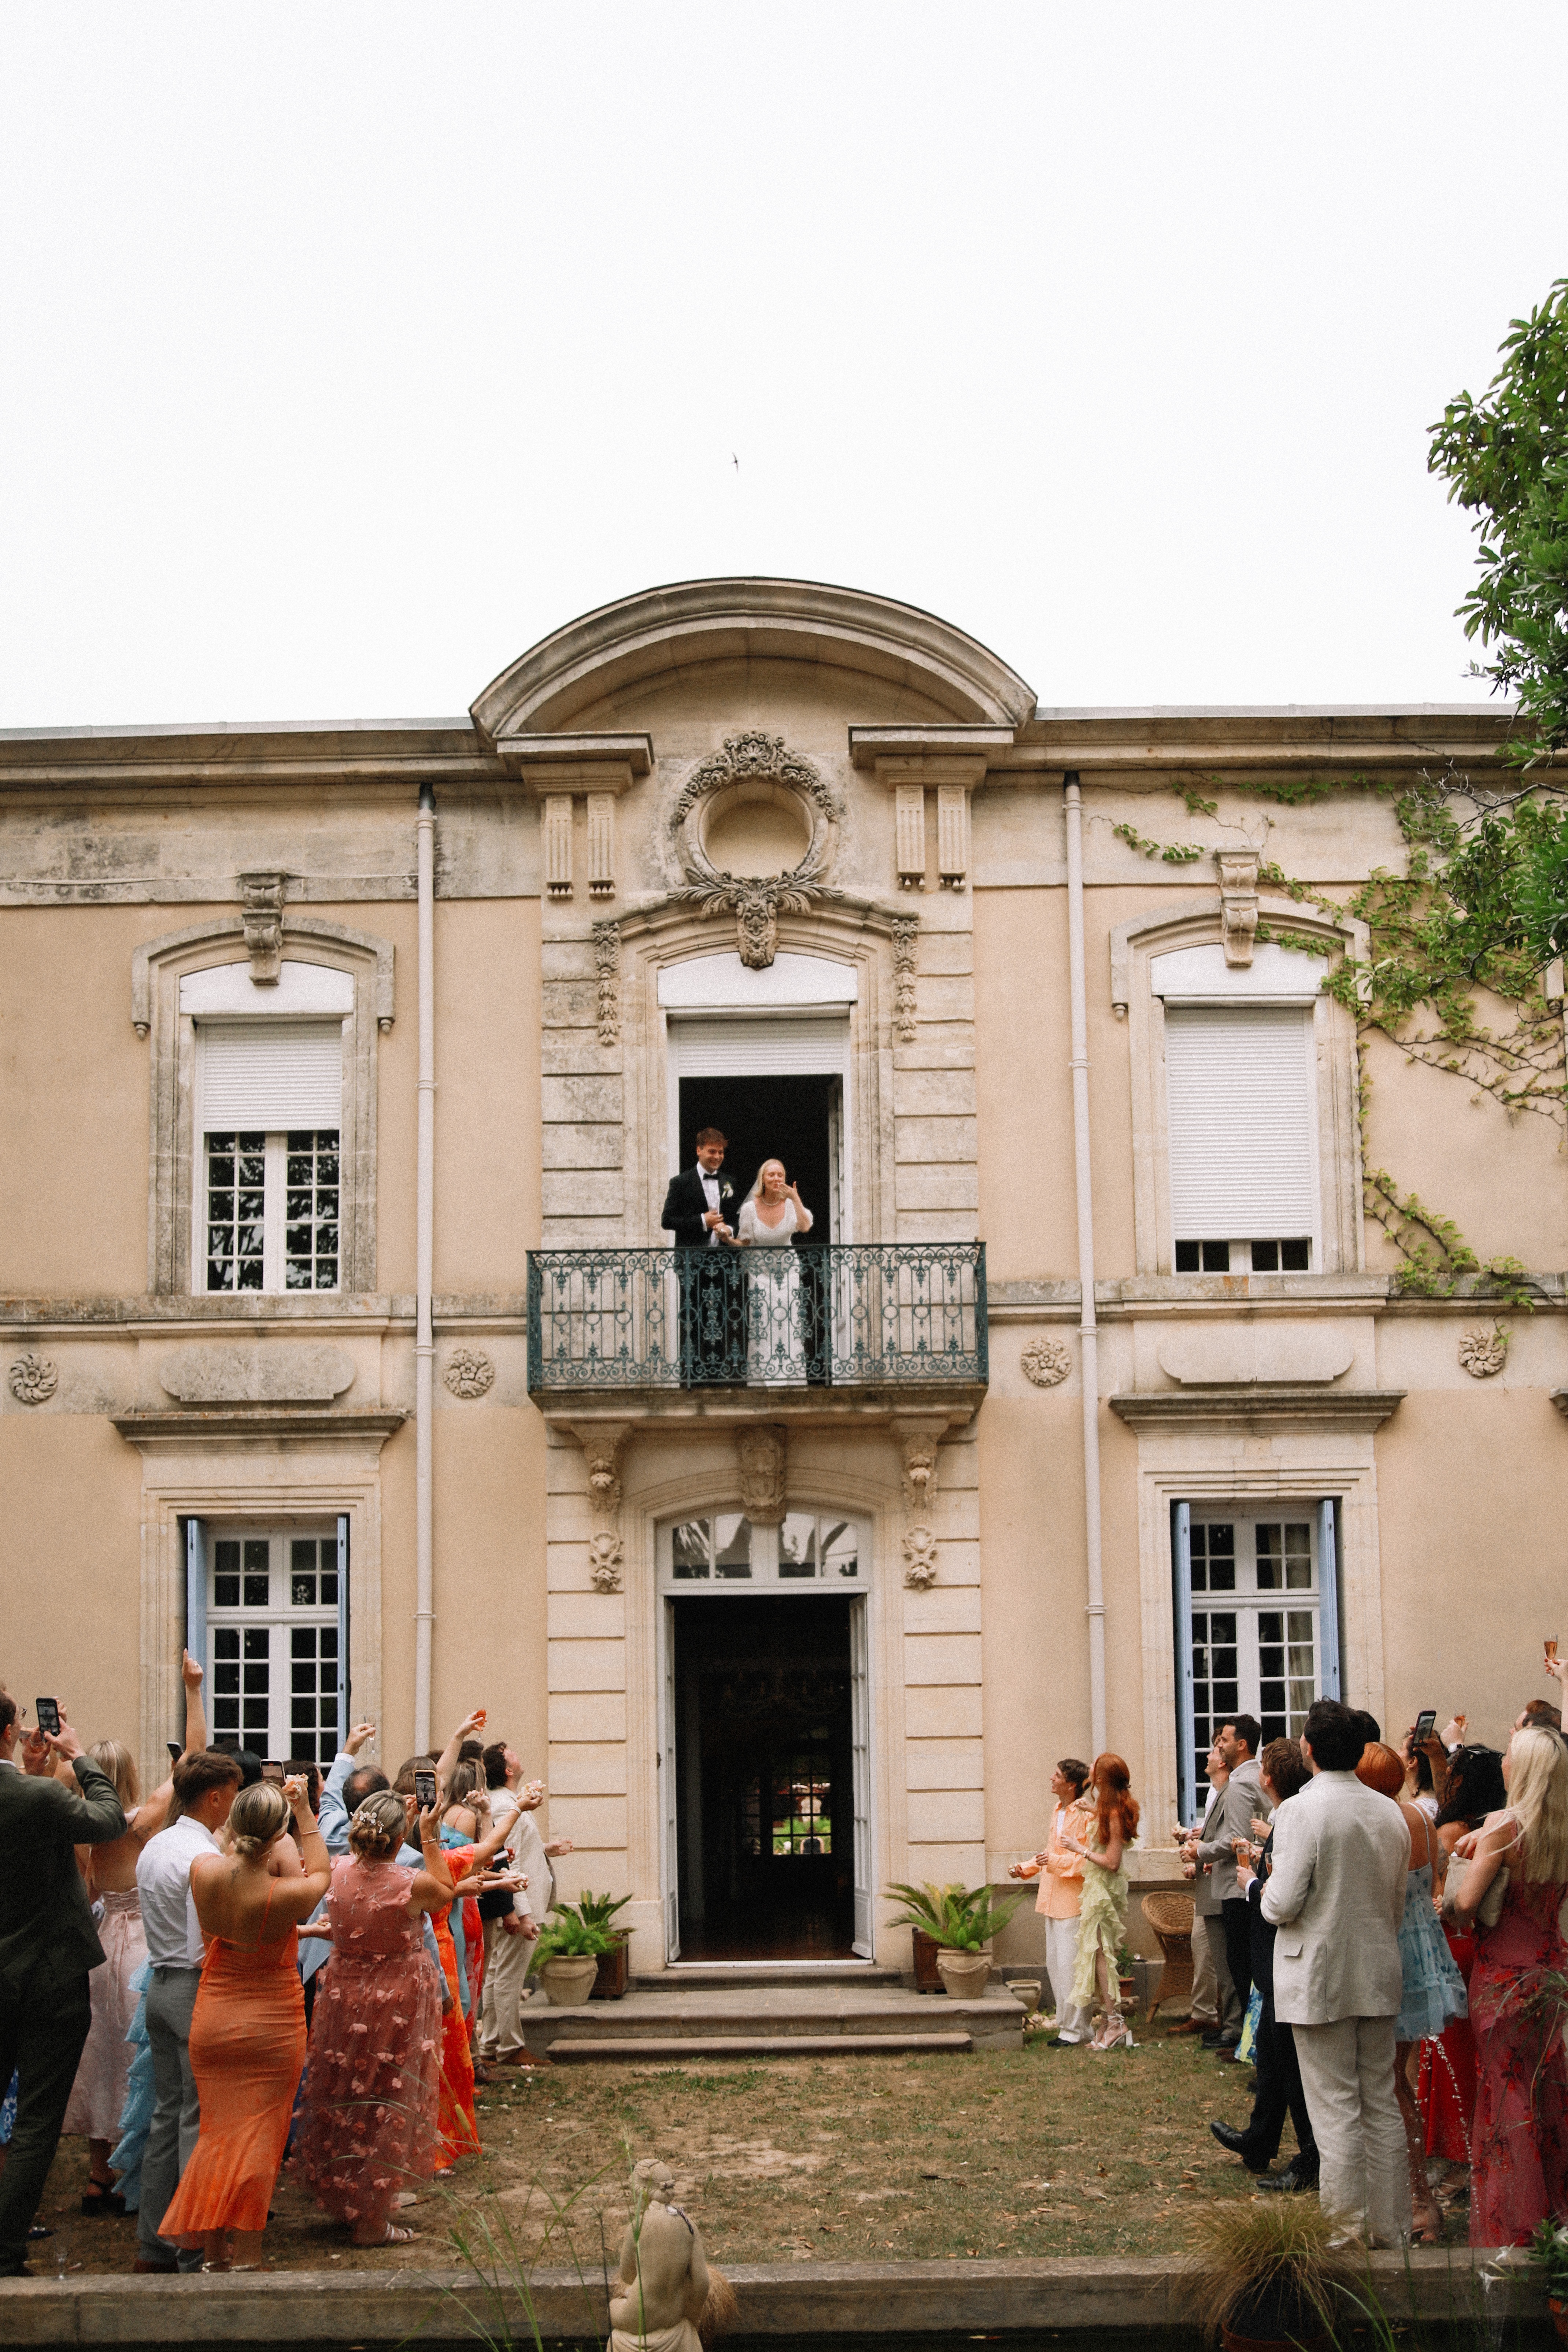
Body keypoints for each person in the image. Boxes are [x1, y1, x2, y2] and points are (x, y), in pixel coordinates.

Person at [158, 1775, 330, 2269]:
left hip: (213, 2018)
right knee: (260, 2138)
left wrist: (262, 1820)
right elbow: (321, 1870)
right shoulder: (280, 1894)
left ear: (232, 1827)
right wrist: (301, 1809)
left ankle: (214, 2253)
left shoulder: (202, 1871)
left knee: (216, 2136)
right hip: (269, 2024)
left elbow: (222, 1848)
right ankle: (248, 2256)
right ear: (277, 1836)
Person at [1260, 1698, 1410, 2246]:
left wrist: (1266, 1886)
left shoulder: (1301, 1809)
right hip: (1376, 1964)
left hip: (1319, 1972)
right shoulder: (1388, 1809)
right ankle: (1390, 2225)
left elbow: (1282, 1904)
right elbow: (1394, 1903)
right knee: (1379, 2101)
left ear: (1310, 1750)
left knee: (1336, 2107)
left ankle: (1346, 2231)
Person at [61, 1652, 208, 2213]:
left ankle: (99, 2174)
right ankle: (139, 2172)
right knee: (138, 2063)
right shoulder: (138, 1822)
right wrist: (192, 1691)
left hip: (95, 1948)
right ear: (127, 1775)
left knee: (98, 2055)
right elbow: (192, 1761)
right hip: (141, 1947)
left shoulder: (77, 1828)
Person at [0, 1688, 127, 2278]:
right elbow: (106, 1820)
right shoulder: (39, 1795)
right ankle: (5, 2248)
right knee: (35, 2120)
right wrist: (78, 1757)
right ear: (8, 1732)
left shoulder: (30, 1792)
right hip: (49, 1973)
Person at [293, 1790, 453, 2245]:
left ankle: (347, 2192)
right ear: (398, 1835)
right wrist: (431, 1838)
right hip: (398, 1994)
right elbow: (444, 1892)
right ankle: (370, 2216)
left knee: (344, 2087)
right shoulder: (409, 1881)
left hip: (346, 1990)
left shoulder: (337, 1871)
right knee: (389, 2096)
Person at [1449, 1723, 1568, 2246]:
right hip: (1551, 1967)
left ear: (1520, 1769)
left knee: (1507, 2092)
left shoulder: (1505, 1827)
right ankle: (1555, 2211)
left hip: (1502, 1973)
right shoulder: (1561, 1829)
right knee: (1547, 2088)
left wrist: (1449, 1892)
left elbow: (1469, 1905)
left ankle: (1514, 2223)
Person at [134, 1748, 243, 2272]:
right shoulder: (202, 1857)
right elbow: (214, 1935)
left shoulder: (157, 1845)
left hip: (159, 1983)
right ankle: (190, 2244)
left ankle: (153, 2244)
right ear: (217, 1798)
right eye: (233, 1795)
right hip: (193, 1985)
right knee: (195, 2122)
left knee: (166, 2117)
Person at [1355, 1741, 1467, 2241]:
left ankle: (1418, 2199)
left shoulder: (1384, 1823)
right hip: (1425, 1950)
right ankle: (1411, 2194)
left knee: (1389, 2081)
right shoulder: (1422, 1817)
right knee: (1397, 2078)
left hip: (1396, 1951)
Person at [1210, 1735, 1319, 2191]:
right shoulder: (1284, 1817)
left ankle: (1310, 2159)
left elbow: (1284, 1900)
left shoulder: (1293, 1816)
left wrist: (1253, 1883)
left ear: (1267, 1779)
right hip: (1274, 1961)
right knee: (1273, 2059)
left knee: (1291, 2066)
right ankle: (1258, 2140)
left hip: (1283, 1954)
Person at [1416, 1743, 1506, 2174]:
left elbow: (1441, 1893)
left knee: (1452, 2053)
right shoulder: (1494, 1824)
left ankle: (1455, 2153)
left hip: (1453, 1939)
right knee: (1469, 2053)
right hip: (1479, 1944)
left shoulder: (1450, 1831)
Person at [478, 1738, 573, 2071]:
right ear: (506, 1770)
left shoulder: (506, 1802)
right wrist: (523, 1914)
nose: (518, 1755)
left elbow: (518, 1850)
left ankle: (490, 2043)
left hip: (519, 1900)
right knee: (509, 1977)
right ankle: (510, 2046)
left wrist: (547, 1849)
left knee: (496, 1973)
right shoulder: (508, 1806)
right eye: (512, 1754)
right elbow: (509, 1866)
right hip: (521, 1902)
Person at [1186, 1716, 1269, 2046]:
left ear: (1242, 1745)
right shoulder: (1245, 1779)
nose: (1219, 1746)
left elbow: (1238, 1839)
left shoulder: (1242, 1783)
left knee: (1240, 1966)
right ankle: (1244, 2036)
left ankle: (1246, 2038)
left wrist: (1202, 1850)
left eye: (1225, 1740)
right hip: (1237, 1883)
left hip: (1238, 1887)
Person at [1057, 1753, 1139, 2052]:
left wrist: (1080, 1849)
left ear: (1101, 1778)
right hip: (1097, 1890)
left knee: (1103, 1957)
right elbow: (1105, 1824)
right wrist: (1092, 1811)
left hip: (1104, 1891)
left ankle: (1116, 2022)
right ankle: (1108, 2022)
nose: (1090, 1768)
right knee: (1097, 1957)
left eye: (1095, 1767)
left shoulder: (1115, 1813)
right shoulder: (1106, 1809)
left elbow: (1113, 1862)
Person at [1009, 1759, 1094, 2046]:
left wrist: (1053, 1862)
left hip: (1072, 1903)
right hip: (1052, 1899)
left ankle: (1074, 2031)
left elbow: (1086, 1861)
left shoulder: (1084, 1815)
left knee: (1071, 1969)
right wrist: (1026, 1868)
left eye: (1057, 1776)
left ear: (1071, 1784)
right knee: (1056, 1967)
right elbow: (1049, 1853)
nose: (1051, 1778)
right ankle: (1072, 2028)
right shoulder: (1057, 1811)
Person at [661, 1128, 743, 1385]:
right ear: (699, 1150)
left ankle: (717, 1374)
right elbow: (668, 1220)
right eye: (712, 1151)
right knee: (692, 1315)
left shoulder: (729, 1182)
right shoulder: (681, 1182)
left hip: (722, 1263)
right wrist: (703, 1222)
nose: (717, 1156)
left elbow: (738, 1220)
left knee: (721, 1316)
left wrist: (727, 1230)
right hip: (692, 1262)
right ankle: (692, 1378)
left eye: (721, 1152)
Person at [1182, 1742, 1241, 2047]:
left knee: (1228, 1966)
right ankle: (1228, 2026)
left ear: (1224, 1763)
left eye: (1215, 1752)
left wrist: (1201, 1850)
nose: (1207, 1755)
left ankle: (1234, 2030)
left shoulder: (1232, 1792)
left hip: (1222, 1892)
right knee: (1219, 1963)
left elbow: (1233, 1839)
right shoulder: (1220, 1793)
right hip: (1211, 1889)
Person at [735, 1159, 814, 1384]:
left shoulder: (791, 1205)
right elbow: (745, 1243)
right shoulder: (750, 1209)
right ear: (763, 1179)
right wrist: (728, 1240)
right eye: (772, 1175)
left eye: (780, 1175)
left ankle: (791, 1378)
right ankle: (764, 1380)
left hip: (788, 1273)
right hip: (760, 1274)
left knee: (789, 1321)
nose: (777, 1179)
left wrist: (795, 1197)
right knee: (763, 1324)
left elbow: (805, 1226)